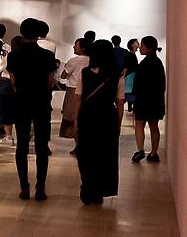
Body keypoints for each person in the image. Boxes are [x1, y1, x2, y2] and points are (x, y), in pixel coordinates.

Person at [7, 18, 59, 200]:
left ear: (22, 32)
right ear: (39, 34)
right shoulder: (47, 56)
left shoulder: (14, 55)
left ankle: (24, 187)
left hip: (21, 101)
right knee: (41, 146)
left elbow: (13, 80)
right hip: (41, 102)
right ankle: (40, 187)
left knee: (21, 145)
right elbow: (50, 81)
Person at [75, 40, 126, 204]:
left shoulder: (84, 73)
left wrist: (76, 119)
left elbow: (78, 98)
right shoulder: (118, 75)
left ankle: (87, 187)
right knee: (105, 155)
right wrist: (118, 124)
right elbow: (120, 103)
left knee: (85, 153)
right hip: (107, 117)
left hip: (87, 116)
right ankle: (99, 190)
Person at [131, 35, 166, 163]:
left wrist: (134, 98)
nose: (140, 47)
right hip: (156, 100)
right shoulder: (158, 63)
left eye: (142, 45)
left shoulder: (143, 64)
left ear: (149, 48)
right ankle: (153, 153)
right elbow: (162, 85)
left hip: (142, 100)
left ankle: (140, 150)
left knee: (139, 125)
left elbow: (137, 84)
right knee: (154, 127)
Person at [58, 38, 90, 147]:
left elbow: (63, 75)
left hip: (73, 90)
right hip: (87, 91)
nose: (73, 47)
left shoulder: (74, 61)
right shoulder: (91, 60)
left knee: (73, 117)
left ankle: (78, 145)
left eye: (76, 45)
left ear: (82, 48)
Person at [123, 38, 140, 112]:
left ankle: (130, 107)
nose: (138, 43)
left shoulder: (131, 54)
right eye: (136, 42)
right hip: (130, 76)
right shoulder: (130, 54)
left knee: (130, 91)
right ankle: (130, 107)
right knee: (130, 91)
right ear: (132, 44)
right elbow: (126, 66)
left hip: (131, 75)